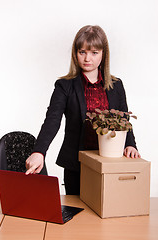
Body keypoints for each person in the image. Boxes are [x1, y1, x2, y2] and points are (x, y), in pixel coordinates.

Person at [25, 25, 141, 195]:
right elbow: (52, 119)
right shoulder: (64, 86)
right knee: (78, 216)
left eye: (94, 52)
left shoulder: (116, 86)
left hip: (110, 164)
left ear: (103, 54)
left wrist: (131, 145)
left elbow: (124, 120)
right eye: (82, 52)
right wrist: (39, 151)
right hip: (75, 164)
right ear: (75, 53)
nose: (88, 58)